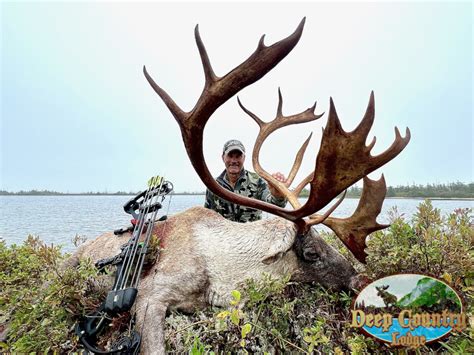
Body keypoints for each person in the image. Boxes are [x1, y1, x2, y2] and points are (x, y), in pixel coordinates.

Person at [204, 139, 287, 222]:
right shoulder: (213, 186)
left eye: (238, 156)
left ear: (244, 158)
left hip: (252, 234)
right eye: (230, 156)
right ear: (223, 157)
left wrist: (278, 195)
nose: (234, 161)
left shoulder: (257, 181)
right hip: (222, 234)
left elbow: (276, 206)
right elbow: (207, 217)